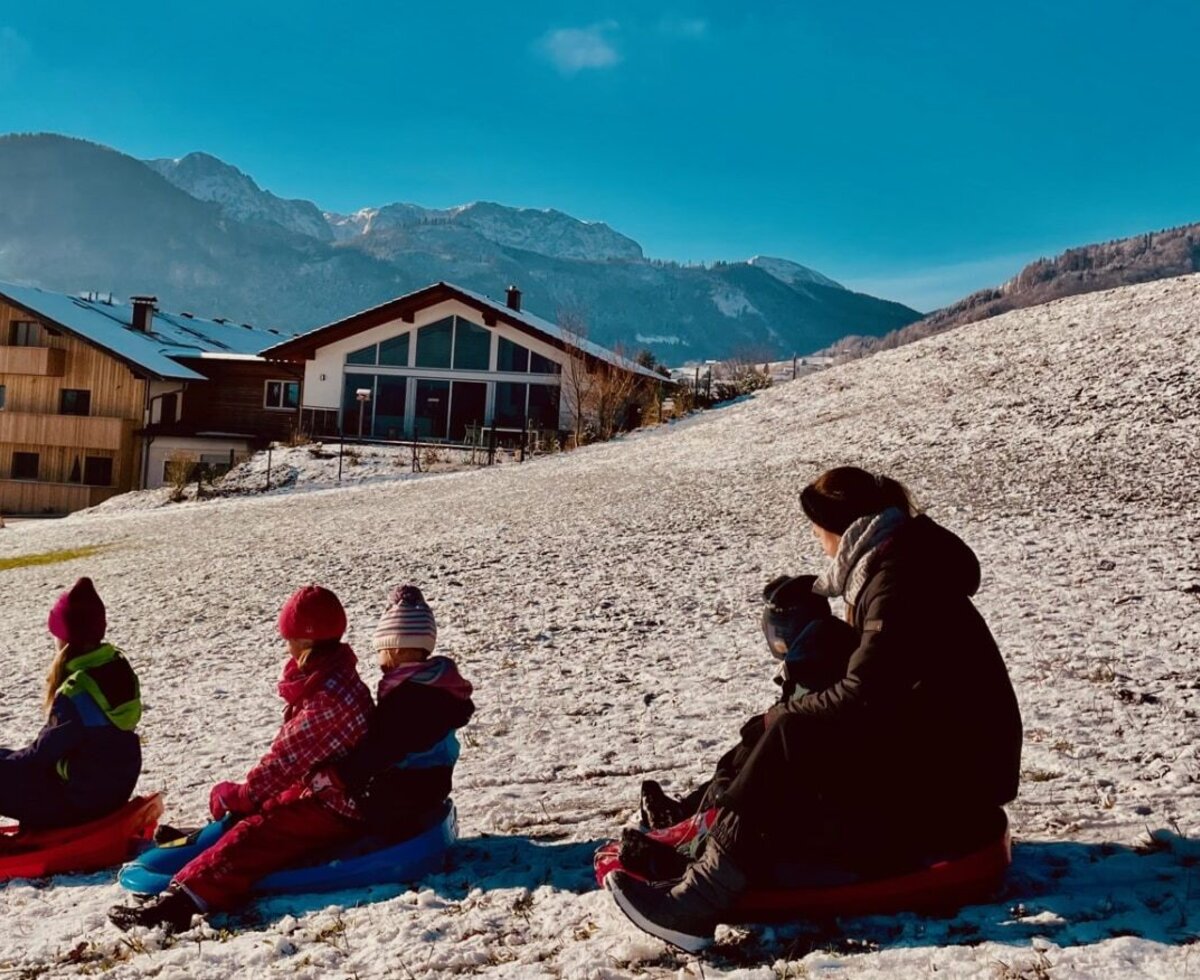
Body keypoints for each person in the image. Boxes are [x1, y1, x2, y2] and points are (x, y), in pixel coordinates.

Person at [609, 466, 1023, 952]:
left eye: (816, 526)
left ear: (841, 527)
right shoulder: (891, 564)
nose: (814, 537)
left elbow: (865, 693)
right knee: (790, 720)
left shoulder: (898, 578)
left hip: (959, 777)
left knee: (794, 733)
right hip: (944, 749)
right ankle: (702, 849)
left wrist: (790, 719)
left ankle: (699, 902)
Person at [109, 585, 373, 933]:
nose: (288, 648)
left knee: (257, 833)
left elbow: (284, 762)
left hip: (336, 804)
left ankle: (181, 902)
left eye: (289, 640)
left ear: (305, 641)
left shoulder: (327, 699)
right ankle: (202, 843)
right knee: (259, 809)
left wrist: (241, 795)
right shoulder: (332, 677)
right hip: (322, 785)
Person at [626, 574, 855, 879]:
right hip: (813, 771)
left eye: (781, 629)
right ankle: (688, 812)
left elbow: (799, 734)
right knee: (748, 744)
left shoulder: (824, 657)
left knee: (756, 760)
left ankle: (704, 849)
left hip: (824, 795)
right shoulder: (816, 652)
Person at [316, 585, 475, 838]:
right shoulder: (434, 683)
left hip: (409, 785)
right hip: (435, 780)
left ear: (397, 649)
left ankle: (397, 837)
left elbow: (383, 748)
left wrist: (341, 775)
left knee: (368, 808)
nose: (379, 658)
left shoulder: (408, 698)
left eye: (382, 650)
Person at [0, 577, 141, 829]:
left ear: (64, 637)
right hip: (115, 790)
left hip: (82, 802)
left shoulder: (76, 691)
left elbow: (41, 754)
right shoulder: (118, 668)